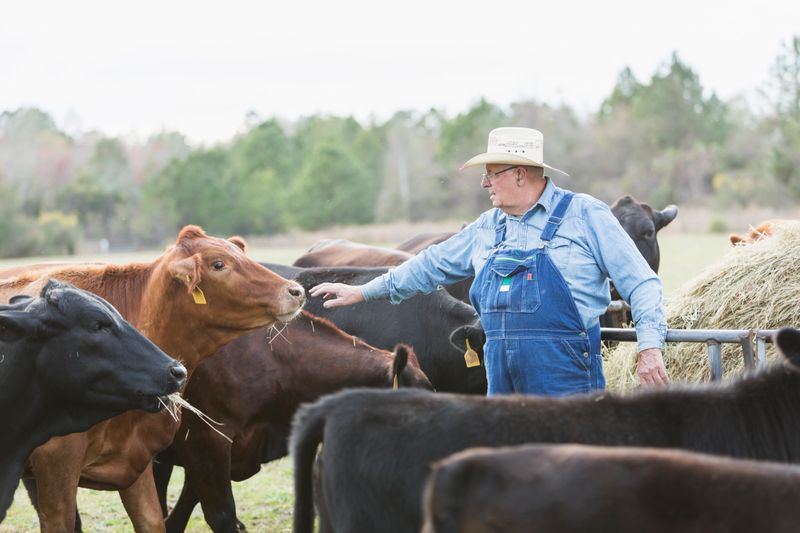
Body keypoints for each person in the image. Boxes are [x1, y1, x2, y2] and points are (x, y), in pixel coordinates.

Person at [310, 127, 669, 396]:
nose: (484, 183)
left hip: (567, 379)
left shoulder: (585, 216)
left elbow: (642, 283)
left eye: (491, 173)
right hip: (500, 382)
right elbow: (427, 266)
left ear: (520, 174)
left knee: (569, 476)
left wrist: (649, 346)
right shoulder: (487, 228)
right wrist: (363, 292)